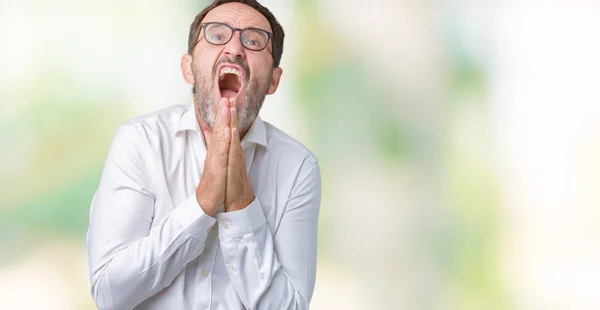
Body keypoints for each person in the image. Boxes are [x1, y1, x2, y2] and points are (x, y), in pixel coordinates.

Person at [86, 1, 321, 309]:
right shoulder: (140, 142)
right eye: (217, 35)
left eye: (253, 40)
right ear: (188, 68)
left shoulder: (298, 167)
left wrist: (240, 204)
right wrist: (202, 204)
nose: (234, 48)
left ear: (274, 81)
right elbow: (109, 293)